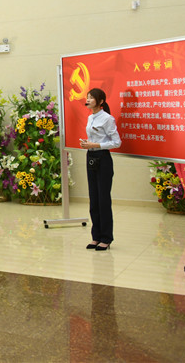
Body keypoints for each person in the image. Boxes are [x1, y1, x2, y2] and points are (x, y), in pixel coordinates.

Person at [80, 88, 121, 251]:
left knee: (103, 199)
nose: (88, 100)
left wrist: (95, 145)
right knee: (93, 198)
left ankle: (106, 238)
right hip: (90, 157)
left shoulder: (107, 119)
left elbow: (117, 142)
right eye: (87, 97)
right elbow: (94, 138)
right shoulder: (90, 117)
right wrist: (87, 143)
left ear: (101, 101)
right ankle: (95, 236)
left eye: (91, 98)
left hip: (103, 159)